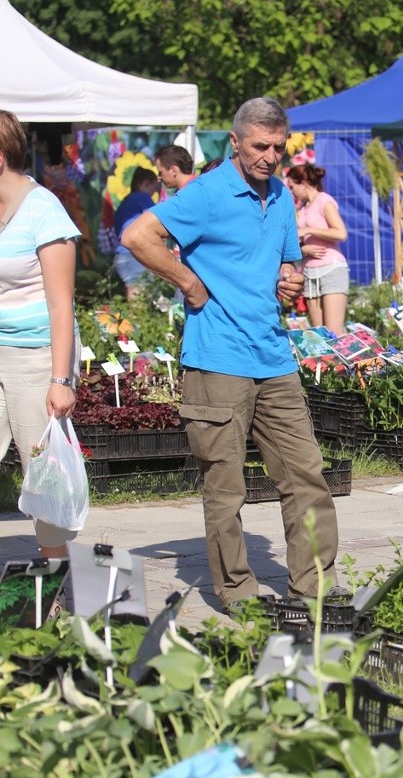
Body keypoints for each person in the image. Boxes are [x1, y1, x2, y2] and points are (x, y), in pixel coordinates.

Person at [122, 97, 339, 610]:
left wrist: (289, 281)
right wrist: (188, 282)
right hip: (217, 360)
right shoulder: (208, 193)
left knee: (307, 475)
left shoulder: (282, 196)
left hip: (273, 357)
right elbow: (139, 236)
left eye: (278, 147)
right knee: (225, 489)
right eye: (260, 146)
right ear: (236, 142)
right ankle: (238, 594)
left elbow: (288, 265)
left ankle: (316, 590)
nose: (269, 156)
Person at [0, 110, 80, 557]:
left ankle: (55, 583)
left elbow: (60, 302)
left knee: (43, 474)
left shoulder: (44, 210)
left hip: (36, 356)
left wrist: (60, 379)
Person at [284, 164, 349, 336]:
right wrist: (304, 249)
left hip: (331, 270)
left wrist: (309, 230)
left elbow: (341, 233)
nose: (291, 191)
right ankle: (325, 364)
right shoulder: (303, 208)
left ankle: (351, 362)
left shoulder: (324, 201)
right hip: (310, 273)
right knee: (319, 334)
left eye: (292, 186)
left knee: (334, 332)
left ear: (303, 183)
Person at [113, 167, 159, 295]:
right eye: (153, 188)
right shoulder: (142, 198)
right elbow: (158, 220)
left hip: (123, 256)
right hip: (133, 255)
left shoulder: (126, 202)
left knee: (135, 291)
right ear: (145, 184)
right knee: (139, 295)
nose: (153, 194)